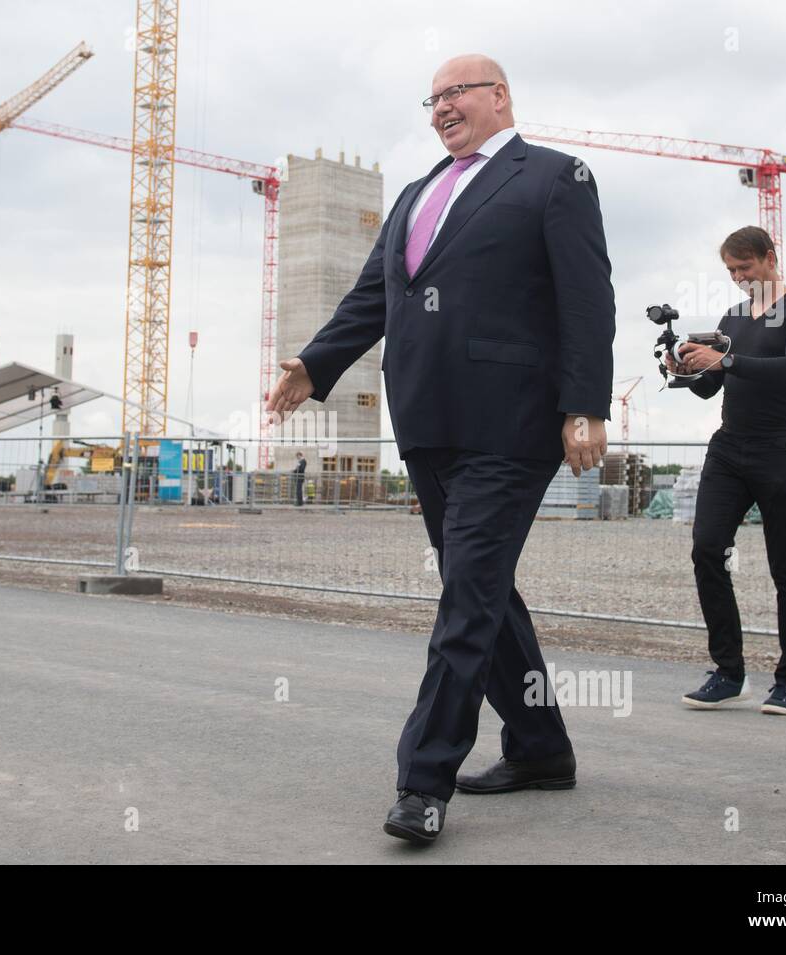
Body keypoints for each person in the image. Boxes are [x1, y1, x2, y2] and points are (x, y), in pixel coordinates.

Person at [265, 54, 615, 845]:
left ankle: (423, 781)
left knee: (465, 599)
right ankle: (540, 745)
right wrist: (316, 362)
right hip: (427, 420)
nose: (440, 109)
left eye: (456, 93)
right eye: (432, 99)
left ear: (500, 96)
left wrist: (586, 404)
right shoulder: (417, 193)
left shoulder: (557, 177)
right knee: (482, 589)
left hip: (512, 423)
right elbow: (371, 295)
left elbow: (589, 297)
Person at [671, 225, 786, 717]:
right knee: (706, 549)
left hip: (783, 448)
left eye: (745, 267)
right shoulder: (732, 317)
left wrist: (726, 357)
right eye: (731, 271)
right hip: (729, 448)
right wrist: (683, 369)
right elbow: (710, 386)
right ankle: (728, 672)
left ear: (769, 257)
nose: (739, 277)